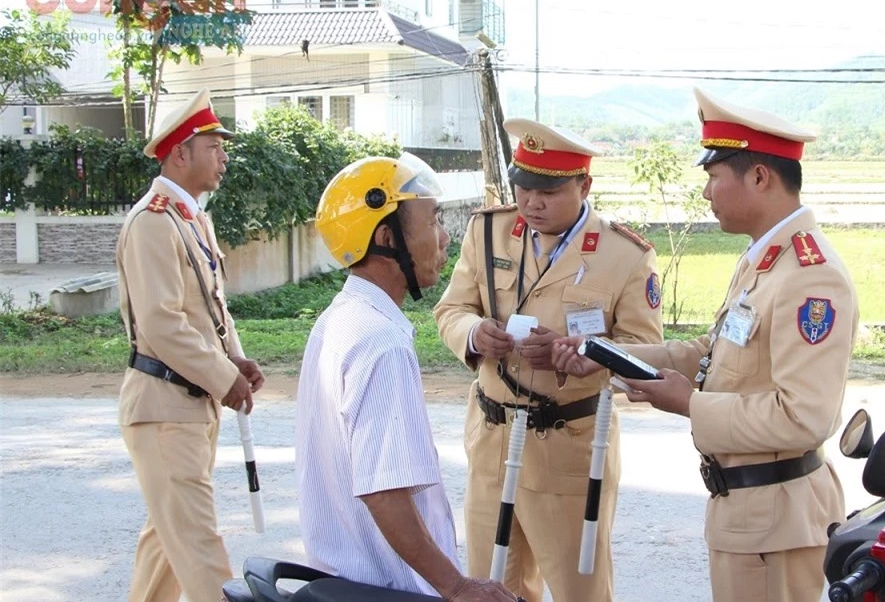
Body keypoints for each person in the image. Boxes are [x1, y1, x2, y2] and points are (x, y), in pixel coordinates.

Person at [553, 87, 861, 602]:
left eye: (714, 178)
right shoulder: (765, 259)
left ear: (759, 177)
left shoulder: (810, 278)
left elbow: (803, 416)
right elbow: (713, 351)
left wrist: (690, 405)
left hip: (775, 522)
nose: (706, 194)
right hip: (752, 514)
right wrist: (602, 356)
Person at [433, 119, 664, 602]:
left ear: (584, 185)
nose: (532, 202)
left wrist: (581, 355)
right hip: (493, 438)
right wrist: (475, 334)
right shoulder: (489, 230)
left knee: (580, 590)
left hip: (568, 448)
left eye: (549, 191)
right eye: (524, 187)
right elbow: (452, 309)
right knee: (489, 586)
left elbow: (644, 351)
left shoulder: (625, 256)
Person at [295, 154, 518, 602]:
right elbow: (385, 492)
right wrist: (456, 586)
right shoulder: (381, 342)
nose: (444, 237)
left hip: (341, 580)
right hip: (385, 588)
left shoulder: (340, 319)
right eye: (433, 221)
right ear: (386, 237)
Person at [116, 87, 265, 602]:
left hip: (187, 404)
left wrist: (235, 361)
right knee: (202, 553)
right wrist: (224, 378)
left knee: (166, 545)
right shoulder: (153, 222)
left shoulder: (191, 218)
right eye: (213, 146)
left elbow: (209, 310)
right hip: (163, 406)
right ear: (180, 152)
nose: (223, 156)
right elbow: (163, 324)